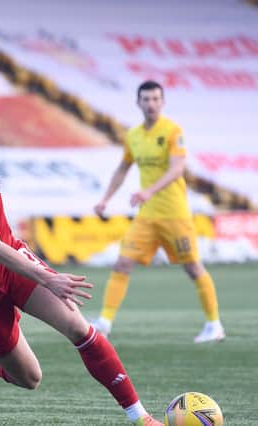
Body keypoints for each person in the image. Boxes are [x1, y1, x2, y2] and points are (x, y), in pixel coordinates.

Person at [0, 13, 163, 425]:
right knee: (30, 378)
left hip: (10, 259)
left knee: (79, 328)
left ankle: (140, 417)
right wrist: (49, 277)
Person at [91, 80, 225, 344]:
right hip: (146, 216)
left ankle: (214, 324)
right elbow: (123, 168)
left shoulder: (173, 131)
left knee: (193, 268)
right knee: (122, 262)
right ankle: (104, 322)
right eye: (146, 99)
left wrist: (149, 191)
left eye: (155, 99)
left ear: (162, 102)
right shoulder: (134, 135)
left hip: (174, 214)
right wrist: (105, 199)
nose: (151, 104)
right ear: (138, 103)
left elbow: (177, 168)